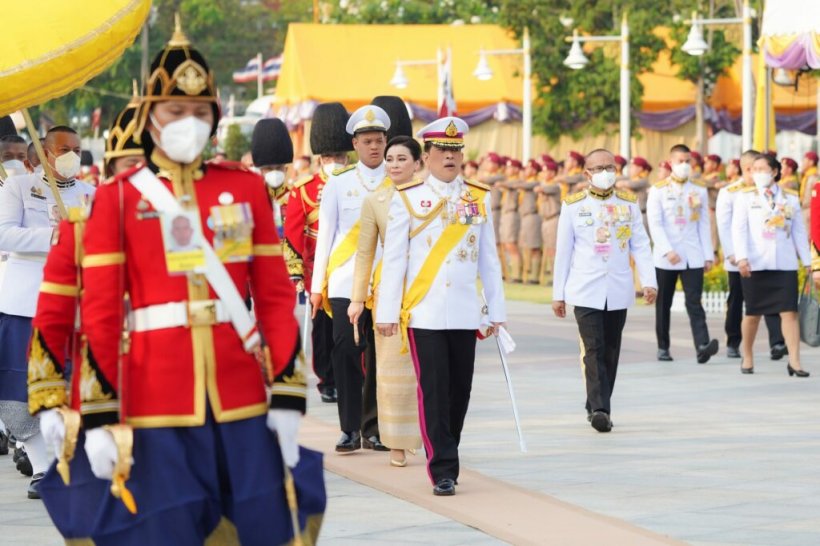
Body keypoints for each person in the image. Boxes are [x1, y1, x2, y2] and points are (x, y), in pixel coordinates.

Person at [53, 23, 315, 544]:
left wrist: (287, 391)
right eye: (175, 111)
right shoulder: (119, 197)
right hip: (155, 397)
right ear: (151, 118)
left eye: (200, 112)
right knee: (165, 527)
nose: (188, 122)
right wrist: (100, 413)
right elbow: (103, 312)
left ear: (216, 117)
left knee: (259, 524)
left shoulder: (244, 188)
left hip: (240, 393)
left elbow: (275, 297)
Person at [27, 98, 145, 530]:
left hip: (175, 390)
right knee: (105, 510)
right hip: (100, 388)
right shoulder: (85, 222)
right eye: (128, 163)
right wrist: (48, 401)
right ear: (113, 168)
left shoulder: (187, 222)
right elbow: (53, 317)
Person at [375, 116, 506, 497]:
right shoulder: (409, 198)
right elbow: (395, 258)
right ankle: (443, 468)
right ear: (427, 156)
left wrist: (496, 311)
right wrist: (386, 313)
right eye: (442, 150)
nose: (450, 157)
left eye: (456, 150)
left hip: (465, 311)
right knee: (433, 389)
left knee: (459, 391)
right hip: (425, 311)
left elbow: (489, 259)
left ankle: (448, 446)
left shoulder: (478, 197)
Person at [0, 126, 95, 499]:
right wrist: (52, 236)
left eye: (76, 148)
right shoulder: (18, 188)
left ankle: (69, 461)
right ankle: (41, 465)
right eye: (63, 148)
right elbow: (3, 234)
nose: (71, 154)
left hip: (73, 303)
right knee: (17, 389)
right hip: (23, 301)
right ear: (42, 154)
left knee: (70, 386)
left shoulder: (92, 194)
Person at [552, 149, 657, 432]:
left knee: (610, 349)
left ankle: (596, 402)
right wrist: (557, 294)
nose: (604, 172)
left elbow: (640, 245)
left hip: (618, 288)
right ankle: (601, 409)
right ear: (587, 174)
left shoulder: (629, 203)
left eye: (609, 167)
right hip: (585, 289)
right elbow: (563, 252)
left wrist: (649, 281)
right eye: (597, 168)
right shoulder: (573, 206)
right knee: (593, 348)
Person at [310, 104, 391, 453]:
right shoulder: (339, 184)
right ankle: (348, 428)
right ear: (354, 145)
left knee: (378, 356)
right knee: (345, 350)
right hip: (344, 282)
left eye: (379, 140)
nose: (374, 147)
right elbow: (325, 234)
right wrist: (316, 287)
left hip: (386, 281)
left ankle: (373, 427)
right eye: (367, 141)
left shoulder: (399, 180)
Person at [348, 135, 422, 468]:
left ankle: (427, 435)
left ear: (418, 163)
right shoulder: (375, 201)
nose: (393, 165)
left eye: (402, 159)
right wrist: (356, 298)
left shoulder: (432, 198)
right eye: (389, 159)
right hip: (389, 295)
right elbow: (365, 253)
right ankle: (395, 441)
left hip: (426, 291)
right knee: (391, 371)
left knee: (428, 370)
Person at [284, 103, 351, 405]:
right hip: (318, 271)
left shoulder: (358, 183)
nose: (334, 162)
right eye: (329, 157)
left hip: (351, 265)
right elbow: (294, 234)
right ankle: (328, 379)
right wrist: (297, 272)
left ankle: (351, 376)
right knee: (322, 331)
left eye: (339, 156)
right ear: (321, 158)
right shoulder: (304, 189)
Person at [733, 154, 811, 376]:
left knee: (790, 313)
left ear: (775, 172)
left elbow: (798, 232)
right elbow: (738, 230)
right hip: (755, 263)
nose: (757, 173)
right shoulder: (745, 197)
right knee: (753, 314)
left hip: (784, 264)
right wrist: (741, 258)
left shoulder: (790, 198)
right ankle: (747, 355)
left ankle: (795, 361)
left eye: (761, 168)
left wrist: (807, 262)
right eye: (753, 169)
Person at [647, 144, 719, 363]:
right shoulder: (658, 190)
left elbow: (703, 224)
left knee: (694, 301)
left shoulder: (698, 189)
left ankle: (702, 346)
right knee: (664, 304)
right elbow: (655, 224)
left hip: (692, 254)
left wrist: (708, 254)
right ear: (670, 162)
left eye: (688, 161)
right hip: (666, 256)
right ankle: (663, 347)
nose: (685, 165)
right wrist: (667, 250)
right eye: (680, 161)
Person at [715, 150, 786, 360]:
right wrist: (733, 253)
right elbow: (725, 225)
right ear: (747, 169)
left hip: (762, 255)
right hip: (738, 257)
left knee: (770, 297)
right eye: (756, 168)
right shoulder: (730, 192)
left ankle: (777, 342)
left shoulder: (767, 192)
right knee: (737, 300)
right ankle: (733, 342)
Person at [536, 160, 561, 283]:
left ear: (552, 172)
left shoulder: (554, 185)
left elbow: (543, 188)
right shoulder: (545, 184)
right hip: (545, 219)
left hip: (553, 218)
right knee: (549, 249)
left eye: (547, 171)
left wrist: (541, 185)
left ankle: (556, 276)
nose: (544, 173)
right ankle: (553, 274)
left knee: (554, 249)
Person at [517, 159, 543, 284]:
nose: (525, 171)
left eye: (528, 168)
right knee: (526, 246)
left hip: (533, 216)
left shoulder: (535, 182)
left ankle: (535, 277)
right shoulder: (527, 181)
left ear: (533, 170)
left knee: (534, 247)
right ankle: (527, 274)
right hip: (525, 216)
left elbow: (521, 185)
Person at [499, 158, 523, 283]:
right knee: (505, 244)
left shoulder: (518, 180)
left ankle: (517, 275)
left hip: (512, 214)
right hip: (505, 213)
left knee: (511, 244)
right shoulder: (508, 180)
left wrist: (502, 184)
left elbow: (511, 186)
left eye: (510, 167)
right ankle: (509, 273)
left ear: (516, 169)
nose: (508, 170)